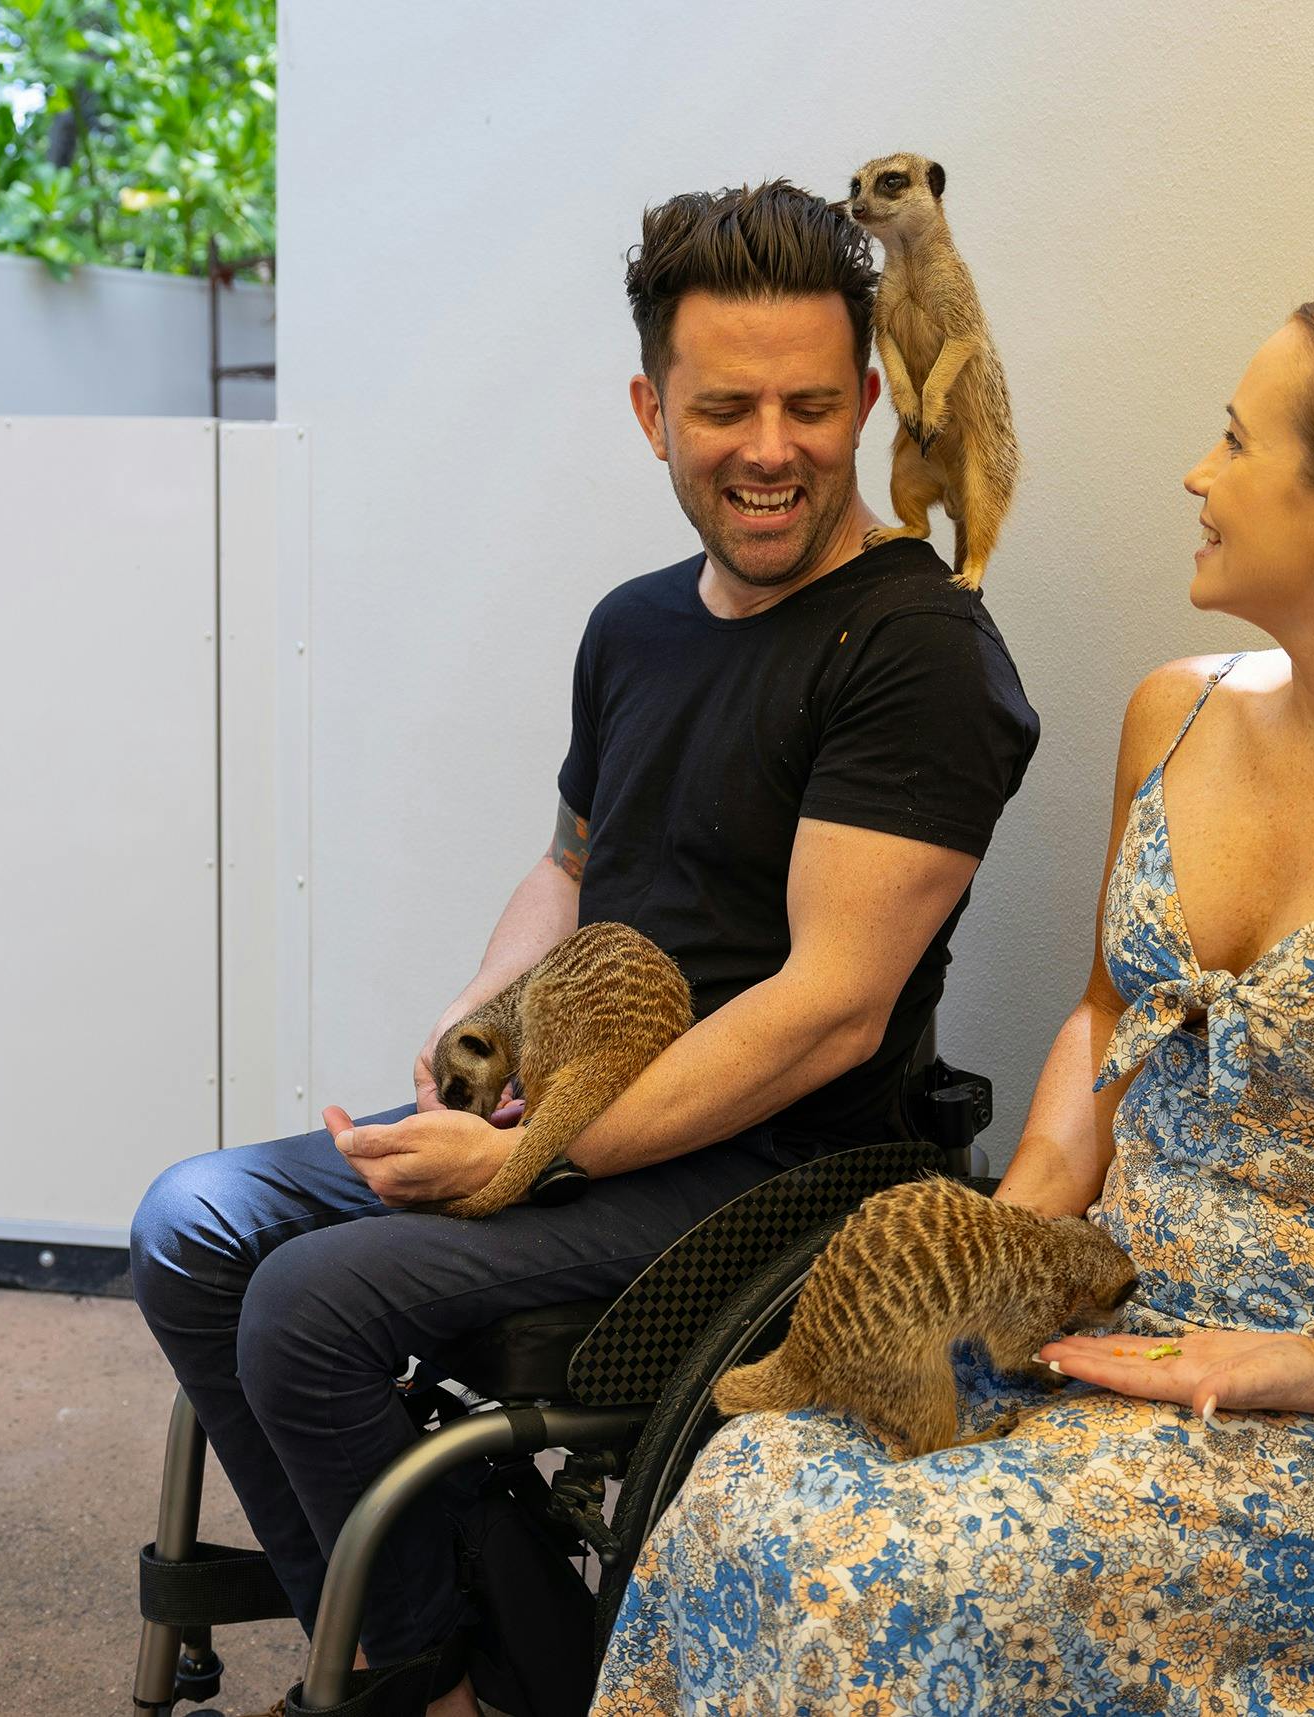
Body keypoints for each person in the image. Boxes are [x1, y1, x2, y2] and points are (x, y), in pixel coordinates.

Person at [593, 282, 1314, 1715]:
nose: (1199, 473)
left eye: (1237, 441)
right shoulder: (1175, 712)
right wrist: (1039, 1203)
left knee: (881, 1578)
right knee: (749, 1473)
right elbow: (1101, 1013)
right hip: (1102, 1317)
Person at [130, 180, 1039, 1717]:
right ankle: (420, 1645)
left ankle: (436, 1658)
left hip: (768, 1165)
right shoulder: (633, 625)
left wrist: (535, 1156)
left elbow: (827, 1011)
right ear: (651, 408)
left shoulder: (916, 650)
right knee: (193, 1225)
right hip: (569, 1106)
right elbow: (568, 872)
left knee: (305, 1305)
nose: (772, 449)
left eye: (814, 406)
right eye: (726, 406)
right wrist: (475, 1033)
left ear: (873, 397)